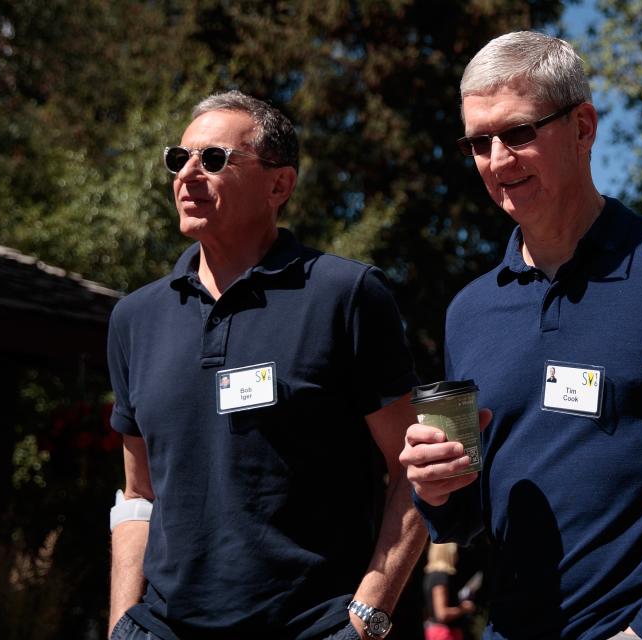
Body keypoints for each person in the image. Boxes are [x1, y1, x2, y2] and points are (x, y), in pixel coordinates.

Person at [399, 31, 642, 640]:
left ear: (583, 127)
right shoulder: (469, 310)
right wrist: (437, 488)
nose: (498, 160)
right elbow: (465, 517)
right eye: (479, 143)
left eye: (519, 132)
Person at [107, 90, 427, 640]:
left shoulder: (345, 295)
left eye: (213, 160)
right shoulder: (135, 317)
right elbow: (139, 495)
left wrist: (367, 618)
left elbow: (413, 468)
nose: (188, 174)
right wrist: (120, 625)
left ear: (279, 185)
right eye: (177, 159)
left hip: (312, 627)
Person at [423, 543, 476, 640]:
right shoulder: (441, 576)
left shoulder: (431, 575)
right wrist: (463, 609)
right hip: (445, 633)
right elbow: (442, 614)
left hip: (434, 631)